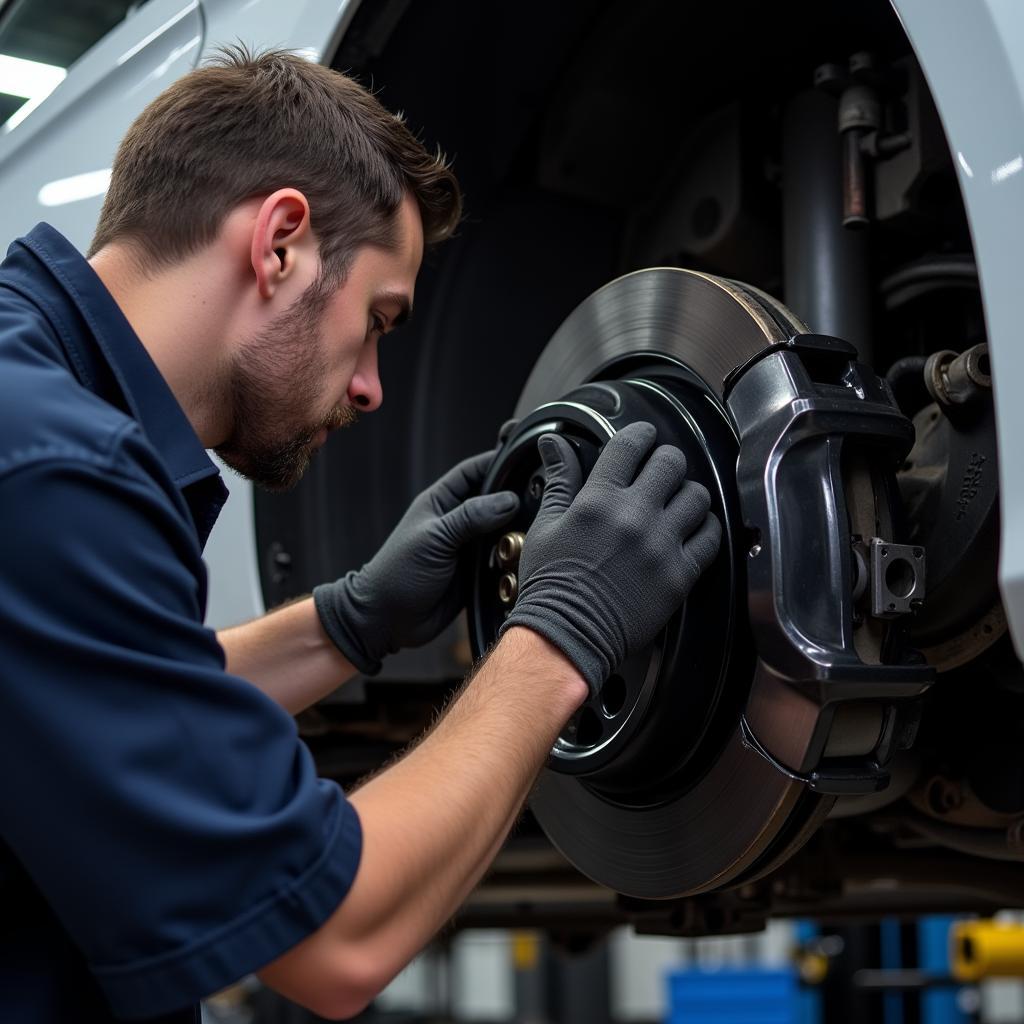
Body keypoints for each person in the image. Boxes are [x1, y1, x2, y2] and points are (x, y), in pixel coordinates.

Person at [0, 47, 721, 1022]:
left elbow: (104, 706)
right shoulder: (56, 471)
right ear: (281, 242)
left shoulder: (32, 408)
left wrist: (346, 623)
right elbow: (332, 940)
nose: (374, 385)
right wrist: (563, 631)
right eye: (379, 319)